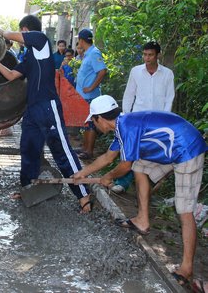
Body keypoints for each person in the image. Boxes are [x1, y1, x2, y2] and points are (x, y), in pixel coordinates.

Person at [73, 95, 206, 287]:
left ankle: (186, 269)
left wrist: (109, 177)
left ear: (99, 118)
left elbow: (124, 166)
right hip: (174, 147)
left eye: (93, 121)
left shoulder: (127, 126)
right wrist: (82, 173)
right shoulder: (123, 126)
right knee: (140, 167)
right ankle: (142, 220)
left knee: (184, 210)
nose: (94, 126)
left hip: (187, 149)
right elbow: (108, 157)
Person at [0, 15, 92, 213]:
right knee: (29, 150)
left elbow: (15, 36)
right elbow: (12, 75)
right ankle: (27, 189)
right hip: (32, 110)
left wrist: (1, 33)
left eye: (22, 32)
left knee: (61, 151)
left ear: (26, 30)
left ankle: (84, 195)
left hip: (48, 106)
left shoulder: (41, 41)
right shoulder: (30, 55)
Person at [112, 41, 175, 193]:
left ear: (158, 55)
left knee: (151, 151)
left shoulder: (167, 74)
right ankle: (123, 182)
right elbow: (129, 95)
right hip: (137, 119)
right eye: (145, 54)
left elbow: (169, 98)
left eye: (150, 55)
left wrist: (165, 120)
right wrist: (127, 117)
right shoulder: (136, 71)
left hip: (158, 121)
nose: (147, 58)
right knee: (131, 150)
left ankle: (145, 183)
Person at [75, 29, 107, 160]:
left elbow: (102, 71)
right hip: (84, 95)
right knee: (86, 123)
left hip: (90, 96)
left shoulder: (94, 53)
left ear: (82, 41)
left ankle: (89, 151)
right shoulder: (88, 54)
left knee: (91, 124)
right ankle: (84, 147)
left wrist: (91, 87)